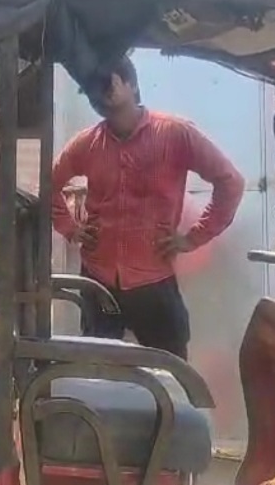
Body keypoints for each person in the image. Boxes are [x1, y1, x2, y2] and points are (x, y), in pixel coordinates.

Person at [51, 56, 245, 360]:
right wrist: (70, 228)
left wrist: (194, 237)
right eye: (91, 89)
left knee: (170, 372)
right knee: (95, 372)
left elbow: (230, 182)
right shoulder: (87, 143)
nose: (99, 93)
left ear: (132, 84)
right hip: (99, 281)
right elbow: (49, 184)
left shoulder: (175, 133)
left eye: (107, 83)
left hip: (153, 281)